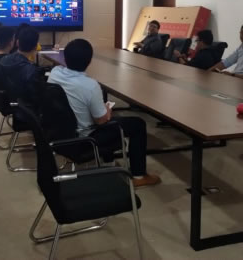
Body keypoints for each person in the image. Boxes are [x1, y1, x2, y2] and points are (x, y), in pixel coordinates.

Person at [48, 39, 161, 188]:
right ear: (89, 61)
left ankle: (109, 160)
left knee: (109, 117)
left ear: (65, 57)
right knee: (137, 124)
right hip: (85, 138)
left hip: (59, 134)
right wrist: (107, 110)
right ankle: (139, 176)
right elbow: (101, 121)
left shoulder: (55, 73)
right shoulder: (90, 86)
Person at [0, 27, 45, 104]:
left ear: (17, 43)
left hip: (9, 101)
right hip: (27, 106)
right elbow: (37, 97)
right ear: (35, 47)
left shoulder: (3, 60)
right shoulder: (32, 71)